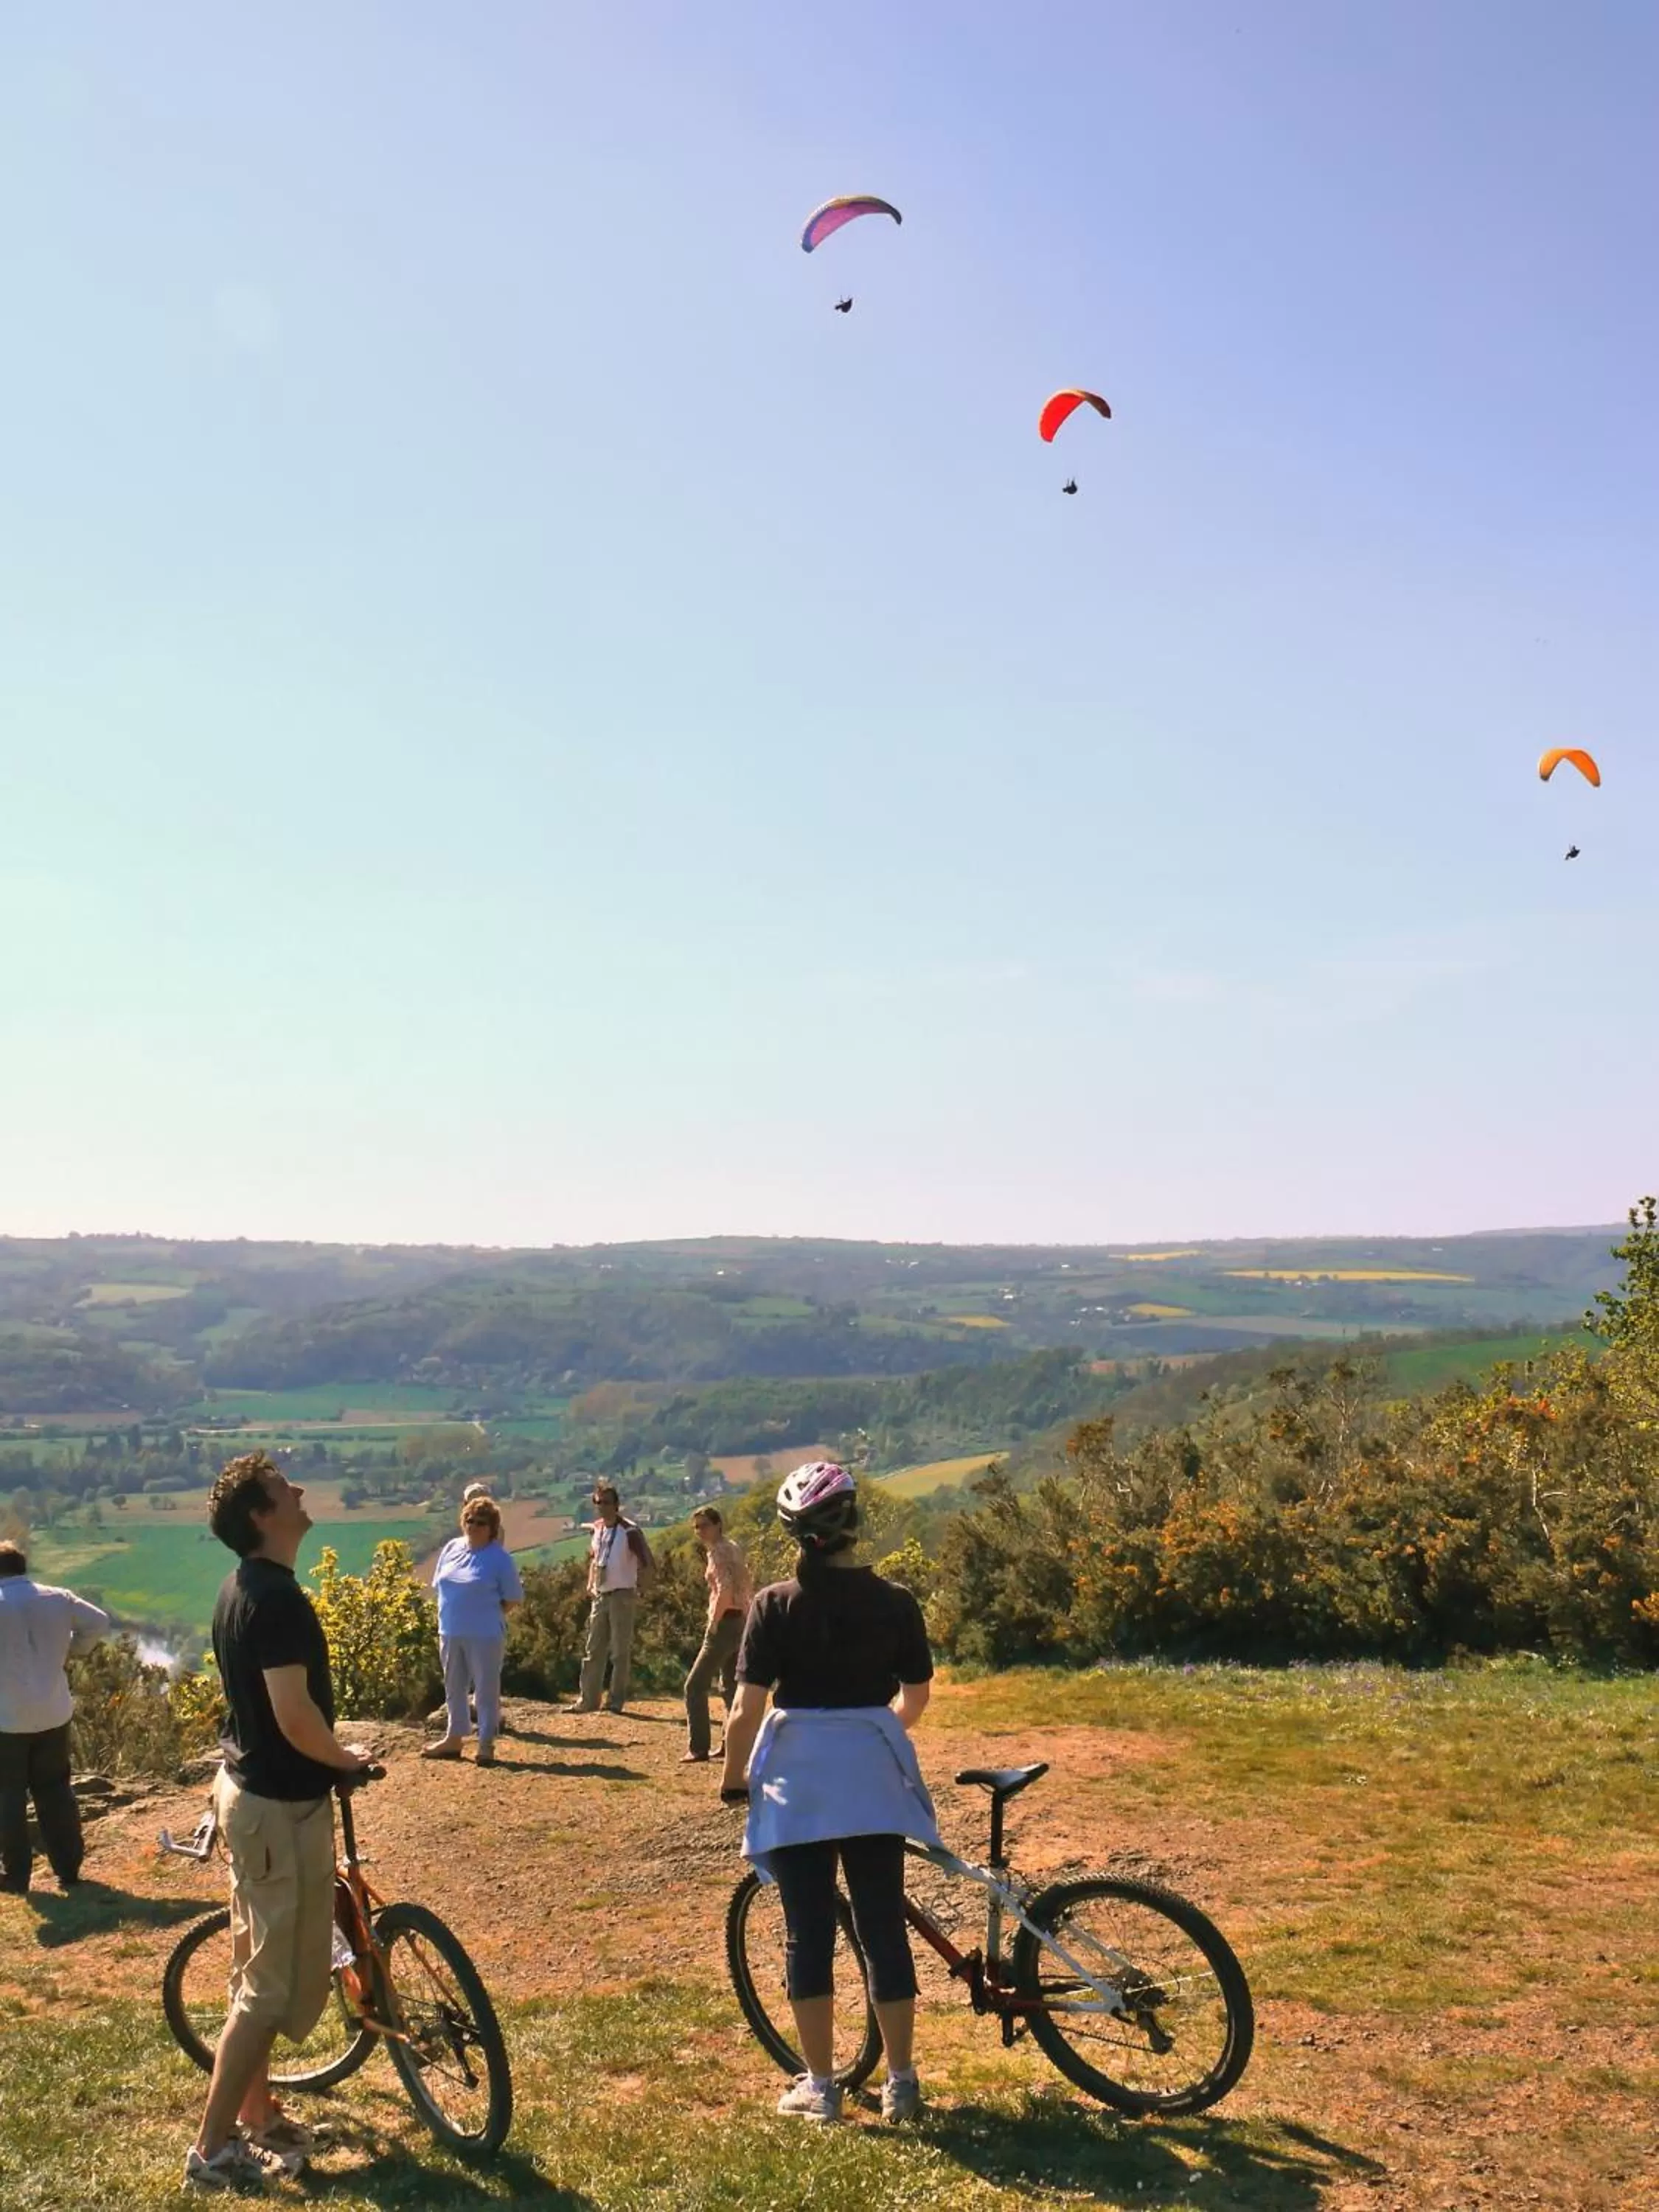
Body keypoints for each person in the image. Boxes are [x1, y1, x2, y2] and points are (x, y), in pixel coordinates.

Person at [720, 1463, 938, 2126]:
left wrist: (733, 1779)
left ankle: (821, 2086)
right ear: (853, 1524)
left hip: (799, 1789)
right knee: (882, 1929)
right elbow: (917, 1695)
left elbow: (744, 1709)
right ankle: (901, 2081)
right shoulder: (896, 1602)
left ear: (793, 1533)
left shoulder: (774, 1606)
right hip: (871, 1786)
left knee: (806, 1936)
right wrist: (874, 1732)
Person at [187, 1454, 369, 2191]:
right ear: (263, 1517)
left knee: (249, 1974)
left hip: (247, 1795)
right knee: (266, 1990)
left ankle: (258, 2117)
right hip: (278, 1808)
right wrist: (345, 1758)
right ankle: (210, 2152)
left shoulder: (241, 1589)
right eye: (283, 1489)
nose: (298, 1491)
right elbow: (295, 1717)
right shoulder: (280, 1601)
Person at [0, 1540, 111, 1896]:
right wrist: (71, 1651)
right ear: (22, 1567)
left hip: (7, 1717)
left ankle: (16, 1876)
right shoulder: (57, 1597)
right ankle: (68, 1869)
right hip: (53, 1710)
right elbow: (98, 1622)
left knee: (7, 1797)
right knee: (56, 1791)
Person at [423, 1495, 521, 1766]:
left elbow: (512, 1598)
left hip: (485, 1634)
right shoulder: (451, 1548)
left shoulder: (499, 1558)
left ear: (492, 1527)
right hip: (450, 1630)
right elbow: (440, 1585)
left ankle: (486, 1743)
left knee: (486, 1690)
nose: (473, 1525)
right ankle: (454, 1739)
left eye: (480, 1522)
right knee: (454, 1687)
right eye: (469, 1519)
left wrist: (485, 1615)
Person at [567, 1484, 653, 1716]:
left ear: (616, 1505)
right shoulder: (598, 1529)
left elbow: (647, 1561)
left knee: (619, 1651)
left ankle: (615, 1701)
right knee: (593, 1649)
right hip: (601, 1594)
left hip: (622, 1594)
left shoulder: (630, 1531)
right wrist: (590, 1583)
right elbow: (595, 1559)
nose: (602, 1507)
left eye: (606, 1502)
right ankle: (588, 1700)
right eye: (598, 1503)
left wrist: (642, 1589)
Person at [682, 1506, 753, 1764]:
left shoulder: (719, 1553)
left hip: (724, 1624)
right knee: (730, 1687)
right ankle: (732, 1744)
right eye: (697, 1527)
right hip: (739, 1622)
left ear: (718, 1524)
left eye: (704, 1526)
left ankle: (698, 1747)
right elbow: (745, 1584)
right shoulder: (731, 1547)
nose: (700, 1532)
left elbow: (724, 1588)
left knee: (694, 1686)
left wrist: (713, 1622)